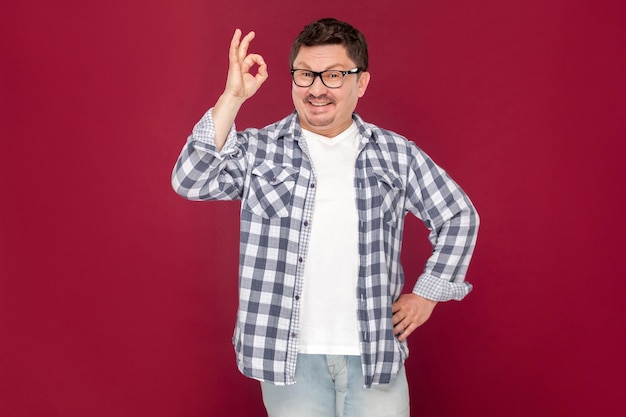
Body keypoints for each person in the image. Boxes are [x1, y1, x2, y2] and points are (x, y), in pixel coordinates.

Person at [172, 17, 479, 417]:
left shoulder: (396, 154)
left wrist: (427, 295)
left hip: (373, 354)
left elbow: (458, 215)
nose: (317, 88)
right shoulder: (258, 150)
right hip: (287, 357)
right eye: (305, 74)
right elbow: (190, 180)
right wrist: (232, 98)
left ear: (361, 83)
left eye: (333, 75)